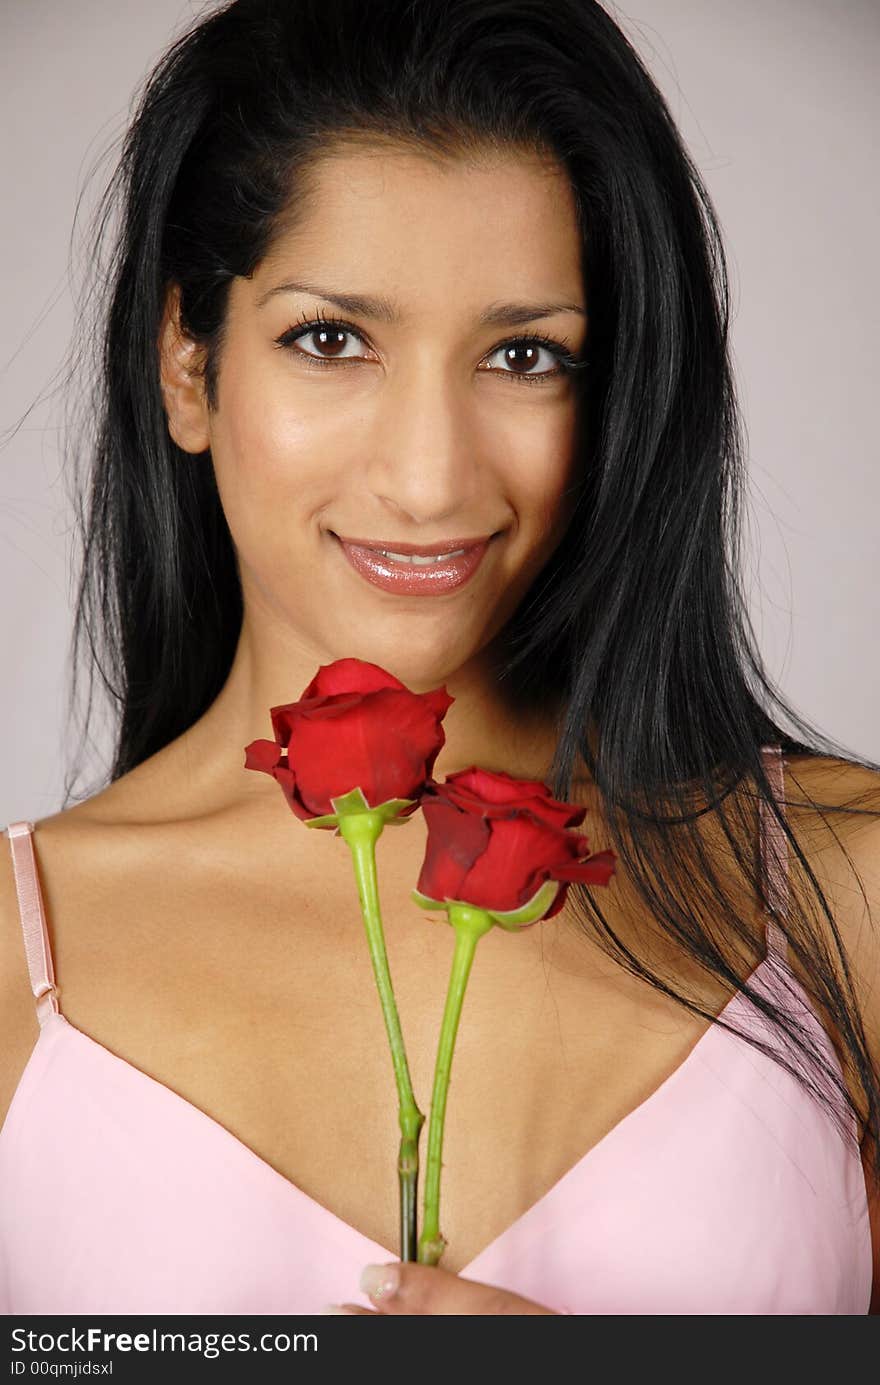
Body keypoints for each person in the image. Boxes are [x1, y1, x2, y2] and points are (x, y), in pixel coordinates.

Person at [1, 0, 878, 1316]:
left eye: (525, 355)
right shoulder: (20, 965)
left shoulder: (848, 891)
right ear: (188, 363)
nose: (429, 479)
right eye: (331, 339)